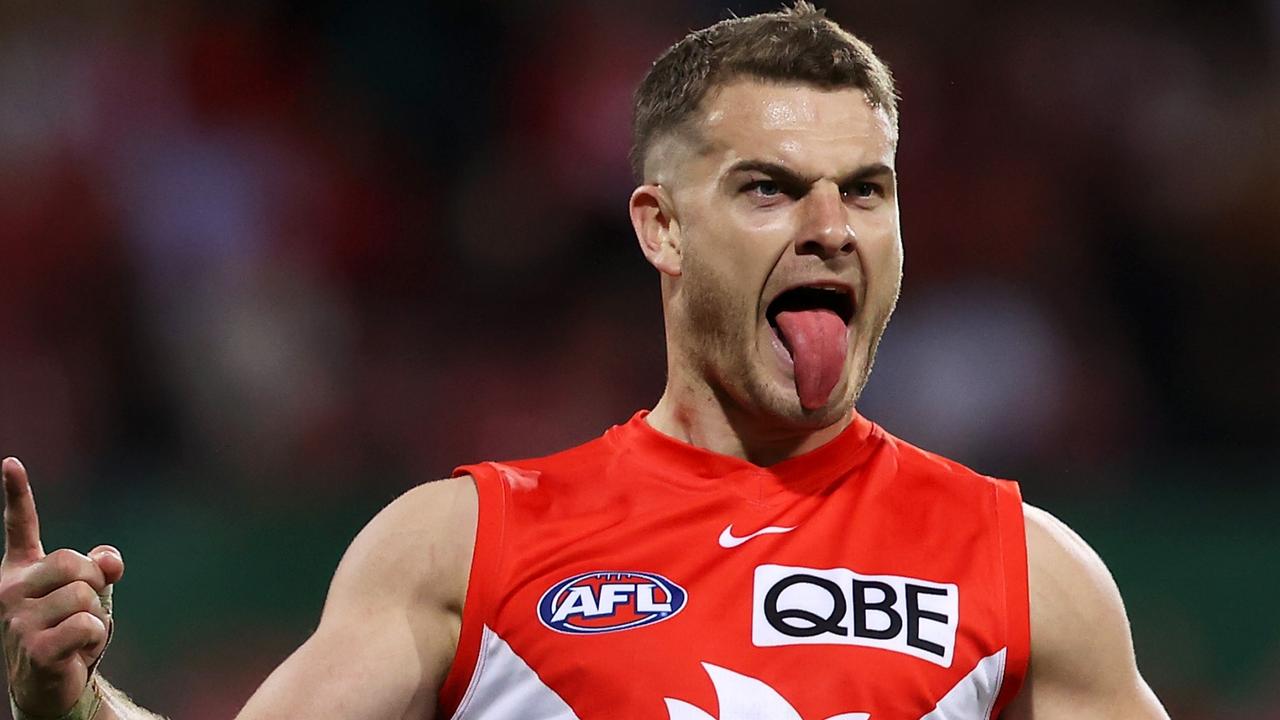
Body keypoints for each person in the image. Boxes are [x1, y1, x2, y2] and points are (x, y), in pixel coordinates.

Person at [1, 4, 1170, 719]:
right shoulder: (465, 544)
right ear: (660, 226)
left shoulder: (1019, 568)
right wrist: (70, 708)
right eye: (768, 188)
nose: (831, 228)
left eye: (865, 191)